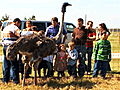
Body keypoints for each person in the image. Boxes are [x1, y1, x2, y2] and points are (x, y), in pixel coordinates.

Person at [2, 18, 21, 84]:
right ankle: (15, 81)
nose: (19, 25)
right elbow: (20, 34)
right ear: (17, 22)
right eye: (19, 24)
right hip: (11, 48)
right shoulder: (14, 27)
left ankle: (5, 80)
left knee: (6, 64)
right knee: (14, 64)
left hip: (4, 47)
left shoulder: (6, 28)